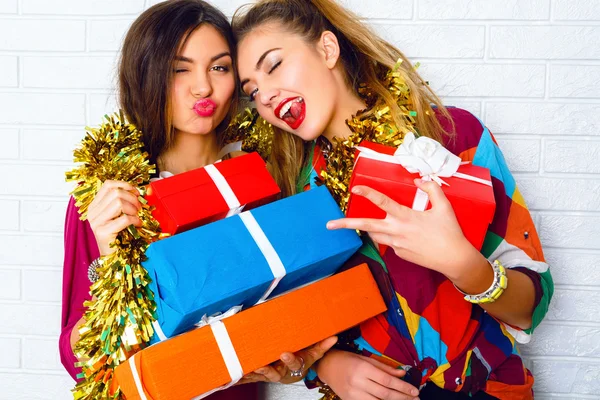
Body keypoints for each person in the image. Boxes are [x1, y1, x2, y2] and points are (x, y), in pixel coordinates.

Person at [233, 0, 553, 399]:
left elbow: (530, 306)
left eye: (274, 65)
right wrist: (327, 366)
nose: (264, 96)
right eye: (252, 91)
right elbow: (296, 325)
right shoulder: (296, 191)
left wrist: (463, 265)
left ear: (327, 49)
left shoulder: (451, 137)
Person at [60, 1, 254, 398]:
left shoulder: (257, 184)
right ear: (146, 76)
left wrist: (301, 366)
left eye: (219, 67)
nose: (203, 86)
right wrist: (112, 259)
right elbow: (77, 357)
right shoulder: (108, 198)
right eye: (179, 69)